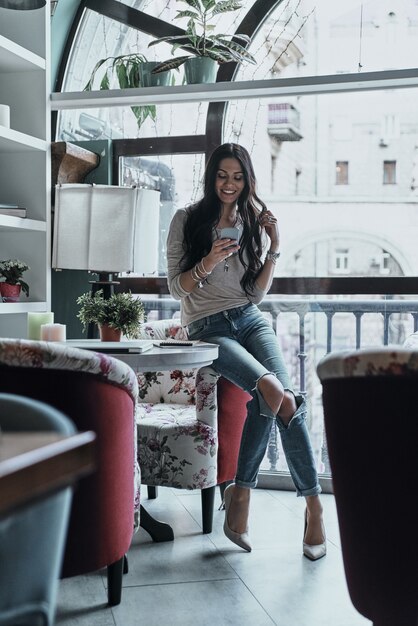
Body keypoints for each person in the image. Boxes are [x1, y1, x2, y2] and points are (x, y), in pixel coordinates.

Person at [166, 142, 326, 559]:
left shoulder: (251, 221)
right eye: (222, 175)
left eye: (238, 177)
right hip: (205, 327)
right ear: (211, 176)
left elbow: (254, 294)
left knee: (282, 399)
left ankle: (312, 508)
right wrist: (208, 260)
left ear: (248, 180)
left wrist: (273, 244)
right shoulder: (187, 219)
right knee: (275, 393)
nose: (229, 184)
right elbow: (174, 287)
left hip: (249, 319)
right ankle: (249, 495)